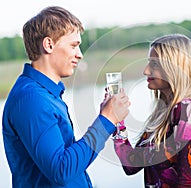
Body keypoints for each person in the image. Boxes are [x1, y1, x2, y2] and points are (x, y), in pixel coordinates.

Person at [2, 6, 130, 188]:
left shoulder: (46, 94)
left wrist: (105, 117)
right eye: (73, 45)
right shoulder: (31, 99)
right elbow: (62, 170)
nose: (80, 54)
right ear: (48, 45)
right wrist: (106, 120)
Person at [112, 33, 191, 187]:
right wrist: (116, 119)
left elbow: (189, 183)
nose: (146, 71)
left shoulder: (188, 111)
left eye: (154, 64)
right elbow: (131, 165)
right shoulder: (163, 114)